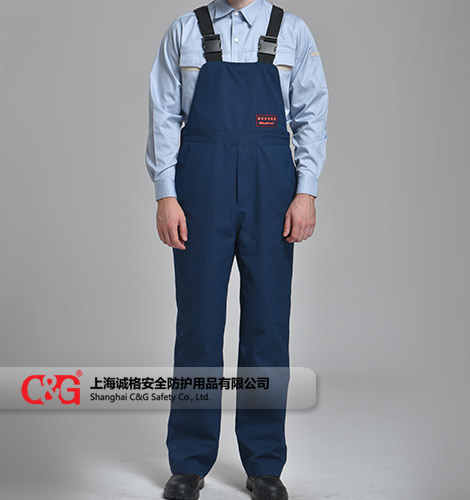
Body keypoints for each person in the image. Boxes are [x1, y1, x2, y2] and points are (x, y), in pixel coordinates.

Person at [146, 0, 328, 498]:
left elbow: (311, 114)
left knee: (268, 326)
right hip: (200, 188)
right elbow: (164, 116)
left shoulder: (291, 32)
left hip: (272, 189)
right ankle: (189, 463)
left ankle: (264, 464)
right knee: (198, 325)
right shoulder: (185, 31)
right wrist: (166, 195)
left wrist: (306, 192)